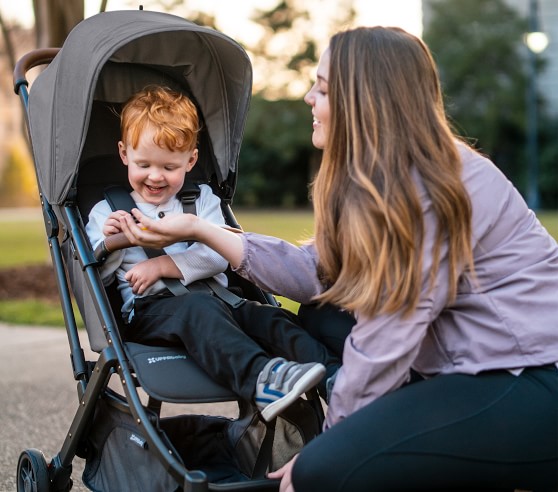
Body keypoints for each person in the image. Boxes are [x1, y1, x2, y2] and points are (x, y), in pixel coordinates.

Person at [117, 29, 558, 492]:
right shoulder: (379, 175)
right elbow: (316, 273)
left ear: (365, 101)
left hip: (529, 379)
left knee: (320, 472)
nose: (309, 97)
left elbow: (387, 334)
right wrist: (200, 228)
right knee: (321, 314)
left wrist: (335, 441)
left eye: (323, 89)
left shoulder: (427, 187)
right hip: (470, 359)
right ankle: (398, 428)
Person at [85, 85, 341, 423]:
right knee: (197, 309)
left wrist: (163, 265)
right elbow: (97, 276)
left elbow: (218, 255)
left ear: (190, 160)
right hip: (152, 312)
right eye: (143, 164)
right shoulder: (107, 212)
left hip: (222, 301)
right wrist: (112, 243)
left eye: (169, 167)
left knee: (274, 320)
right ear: (124, 154)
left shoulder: (201, 199)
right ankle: (261, 379)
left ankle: (337, 381)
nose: (155, 176)